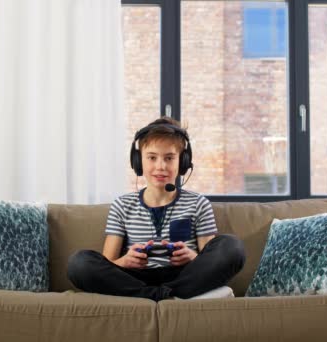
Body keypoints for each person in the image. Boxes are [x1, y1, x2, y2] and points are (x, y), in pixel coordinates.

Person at [67, 117, 245, 301]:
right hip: (135, 278)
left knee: (232, 246)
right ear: (138, 161)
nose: (161, 166)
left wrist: (193, 257)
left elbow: (209, 256)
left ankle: (157, 296)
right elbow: (109, 263)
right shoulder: (122, 205)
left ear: (182, 162)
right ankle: (165, 296)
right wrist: (126, 261)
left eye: (169, 158)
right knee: (79, 263)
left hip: (185, 276)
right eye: (152, 157)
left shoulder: (198, 203)